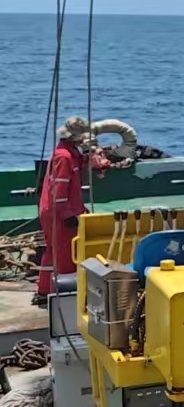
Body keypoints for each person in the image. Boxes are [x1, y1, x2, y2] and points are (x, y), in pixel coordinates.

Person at [36, 116, 94, 307]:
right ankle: (65, 292)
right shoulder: (65, 157)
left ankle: (45, 290)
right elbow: (58, 192)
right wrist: (68, 215)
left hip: (55, 210)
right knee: (66, 253)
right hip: (59, 213)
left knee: (53, 251)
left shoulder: (69, 153)